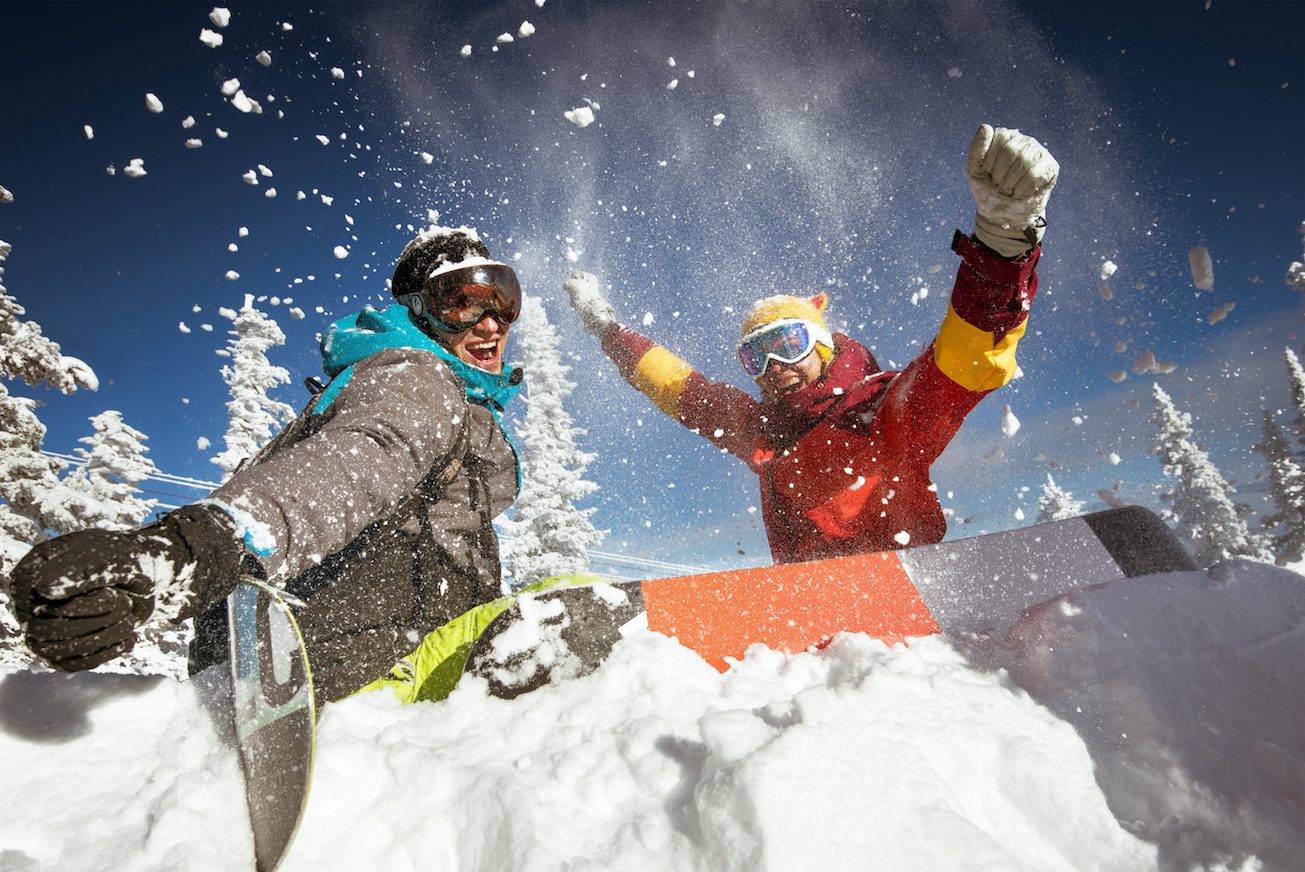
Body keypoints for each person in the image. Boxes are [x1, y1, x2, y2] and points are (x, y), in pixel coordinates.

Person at [6, 226, 525, 702]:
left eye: (504, 306)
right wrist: (202, 546)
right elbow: (358, 460)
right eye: (463, 304)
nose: (490, 325)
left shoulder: (428, 399)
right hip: (367, 664)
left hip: (333, 659)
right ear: (420, 313)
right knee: (580, 615)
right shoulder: (418, 377)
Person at [564, 124, 1059, 565]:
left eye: (787, 343)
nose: (773, 365)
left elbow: (962, 364)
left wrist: (1002, 246)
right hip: (814, 625)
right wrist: (607, 329)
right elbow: (677, 386)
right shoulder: (761, 429)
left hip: (903, 605)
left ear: (822, 345)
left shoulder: (882, 408)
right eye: (755, 356)